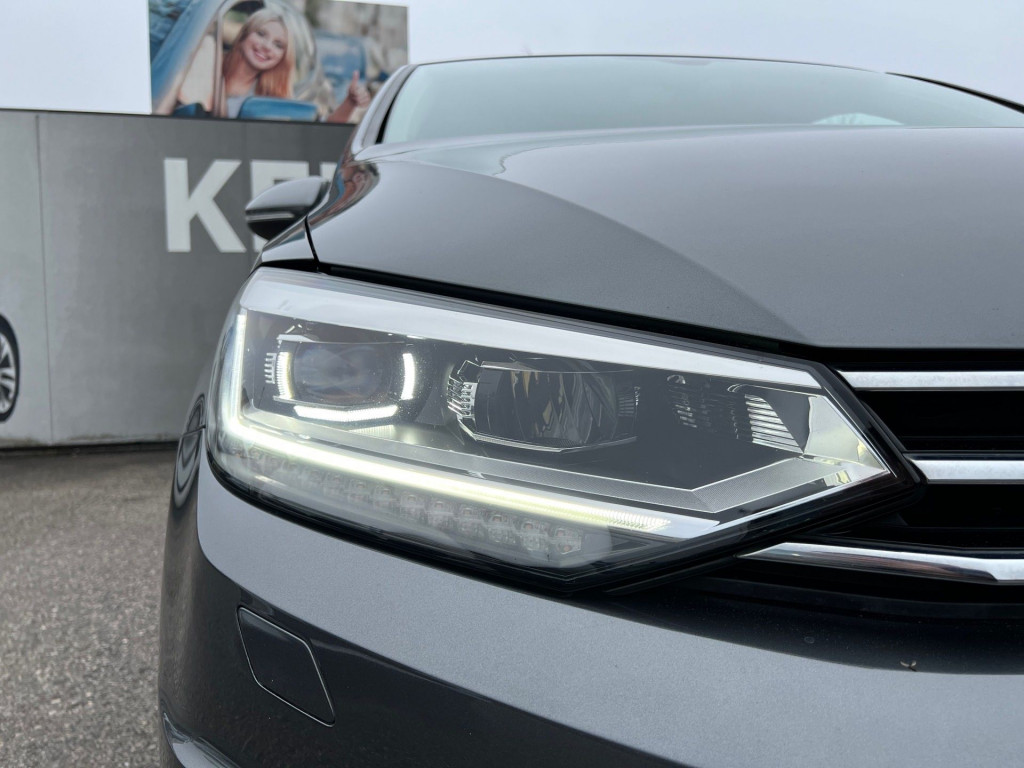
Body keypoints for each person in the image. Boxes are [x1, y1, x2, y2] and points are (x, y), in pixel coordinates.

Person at [176, 8, 296, 118]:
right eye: (261, 34)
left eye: (278, 45)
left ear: (283, 57)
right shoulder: (207, 61)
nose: (267, 46)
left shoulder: (272, 101)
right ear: (244, 35)